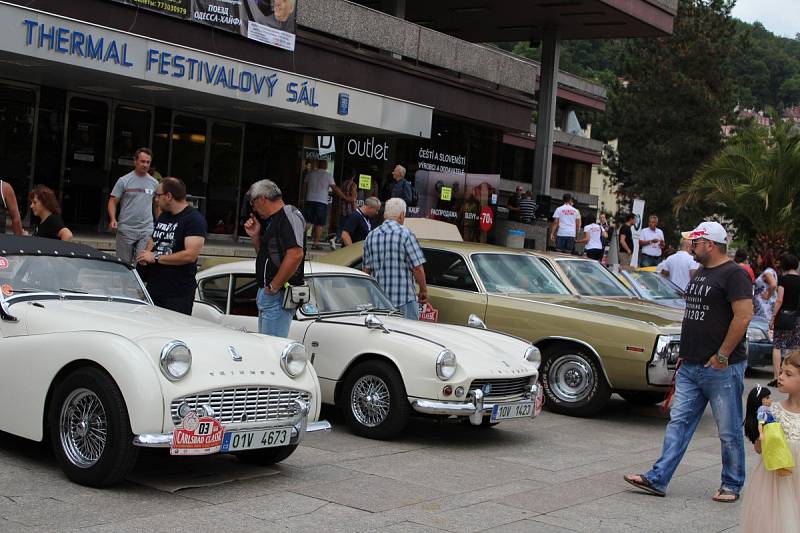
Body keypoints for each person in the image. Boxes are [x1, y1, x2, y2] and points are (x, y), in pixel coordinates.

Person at [624, 220, 753, 502]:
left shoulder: (734, 274)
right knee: (678, 423)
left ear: (709, 244)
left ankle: (731, 484)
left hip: (722, 368)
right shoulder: (701, 272)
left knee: (729, 429)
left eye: (694, 242)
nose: (689, 246)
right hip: (691, 365)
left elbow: (743, 316)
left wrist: (722, 355)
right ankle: (657, 479)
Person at [741, 352, 800, 532]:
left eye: (788, 374)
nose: (780, 377)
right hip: (773, 483)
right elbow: (760, 449)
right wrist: (760, 436)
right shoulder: (772, 410)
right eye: (780, 371)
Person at [243, 179, 305, 338]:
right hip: (270, 294)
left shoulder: (289, 213)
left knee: (272, 349)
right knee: (266, 347)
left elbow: (296, 253)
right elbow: (266, 258)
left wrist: (274, 287)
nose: (254, 209)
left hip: (277, 295)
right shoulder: (274, 220)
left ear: (262, 198)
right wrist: (256, 236)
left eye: (253, 203)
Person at [136, 178, 207, 315]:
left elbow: (190, 255)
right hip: (154, 287)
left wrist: (155, 257)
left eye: (158, 195)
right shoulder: (164, 216)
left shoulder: (194, 220)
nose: (156, 199)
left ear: (168, 196)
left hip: (177, 293)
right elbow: (154, 238)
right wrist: (145, 256)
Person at [362, 198, 427, 320]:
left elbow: (366, 271)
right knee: (408, 336)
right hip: (404, 300)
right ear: (402, 215)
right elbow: (417, 268)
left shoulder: (370, 236)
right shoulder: (406, 234)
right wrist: (423, 291)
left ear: (385, 214)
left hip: (379, 302)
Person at [108, 148, 158, 265]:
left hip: (146, 229)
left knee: (141, 261)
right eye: (142, 161)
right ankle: (125, 283)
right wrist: (113, 219)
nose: (145, 165)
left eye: (148, 162)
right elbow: (113, 201)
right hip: (126, 228)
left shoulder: (154, 183)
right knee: (124, 264)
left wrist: (159, 223)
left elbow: (157, 205)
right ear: (135, 161)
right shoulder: (124, 181)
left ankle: (136, 283)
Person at [301, 160, 351, 250]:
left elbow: (304, 186)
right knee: (319, 224)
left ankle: (299, 239)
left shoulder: (311, 173)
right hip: (321, 201)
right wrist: (345, 197)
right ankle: (315, 244)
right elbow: (334, 188)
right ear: (325, 166)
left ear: (318, 164)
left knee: (307, 222)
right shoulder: (328, 175)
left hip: (309, 200)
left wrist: (303, 198)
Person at [769, 253, 800, 386]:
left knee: (777, 346)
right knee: (794, 348)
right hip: (797, 318)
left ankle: (777, 377)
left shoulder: (783, 279)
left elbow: (779, 299)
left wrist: (773, 317)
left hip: (783, 316)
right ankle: (792, 377)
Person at [754, 250, 778, 321]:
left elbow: (773, 285)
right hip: (764, 307)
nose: (757, 260)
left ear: (763, 259)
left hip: (764, 308)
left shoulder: (767, 272)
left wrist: (767, 296)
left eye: (758, 258)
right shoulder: (771, 271)